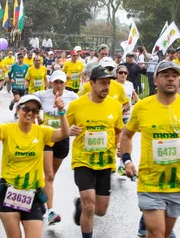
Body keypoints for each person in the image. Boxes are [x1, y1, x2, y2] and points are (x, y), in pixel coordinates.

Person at [0, 90, 70, 238]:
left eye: (35, 110)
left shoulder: (42, 131)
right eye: (26, 108)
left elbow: (64, 133)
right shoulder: (8, 129)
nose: (30, 113)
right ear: (18, 109)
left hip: (33, 194)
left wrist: (62, 112)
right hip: (9, 191)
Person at [120, 61, 180, 238]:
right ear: (155, 80)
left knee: (163, 234)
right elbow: (126, 135)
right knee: (157, 232)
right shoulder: (143, 107)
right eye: (166, 75)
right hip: (150, 183)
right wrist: (126, 160)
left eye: (175, 75)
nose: (171, 79)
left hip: (177, 184)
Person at [68, 66, 123, 238]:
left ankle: (79, 204)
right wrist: (69, 129)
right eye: (102, 83)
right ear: (91, 83)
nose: (106, 87)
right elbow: (63, 128)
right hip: (83, 160)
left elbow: (119, 130)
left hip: (105, 162)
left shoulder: (115, 105)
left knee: (100, 210)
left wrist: (117, 146)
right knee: (90, 206)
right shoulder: (76, 105)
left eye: (108, 83)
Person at [34, 70, 78, 225]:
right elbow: (27, 102)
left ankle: (39, 192)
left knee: (49, 176)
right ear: (50, 83)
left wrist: (73, 129)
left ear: (65, 83)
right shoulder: (42, 94)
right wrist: (36, 117)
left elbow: (80, 113)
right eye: (55, 82)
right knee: (50, 176)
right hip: (46, 139)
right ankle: (51, 211)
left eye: (61, 82)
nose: (58, 85)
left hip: (62, 139)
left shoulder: (72, 97)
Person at [8, 53, 29, 118]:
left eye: (22, 58)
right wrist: (11, 79)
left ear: (23, 58)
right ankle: (13, 101)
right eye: (19, 58)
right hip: (15, 85)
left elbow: (28, 76)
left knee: (21, 101)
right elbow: (9, 73)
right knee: (17, 99)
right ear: (17, 59)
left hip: (22, 86)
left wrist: (27, 82)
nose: (20, 59)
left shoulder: (26, 66)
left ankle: (16, 113)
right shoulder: (14, 66)